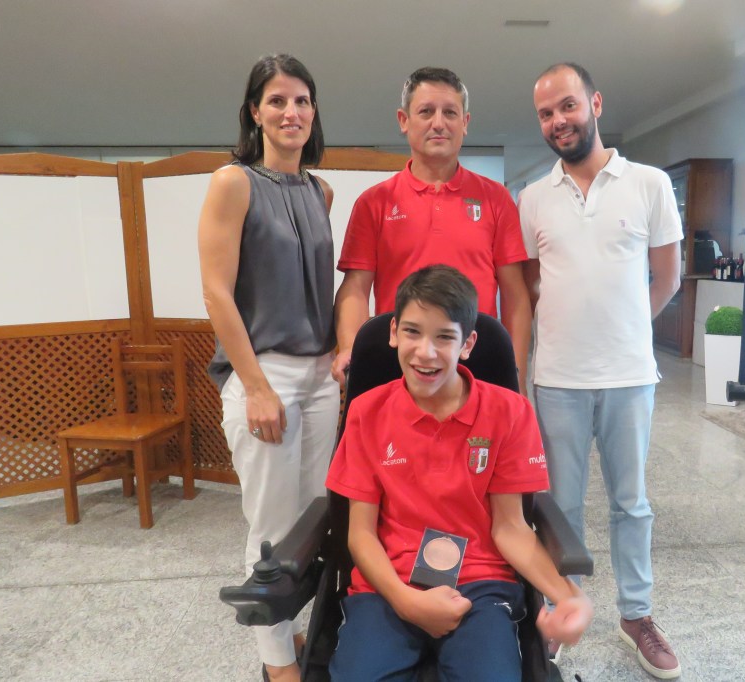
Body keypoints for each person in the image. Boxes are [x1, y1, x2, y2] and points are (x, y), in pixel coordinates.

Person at [325, 265, 593, 681]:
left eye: (444, 337)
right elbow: (360, 534)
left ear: (467, 344)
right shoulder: (367, 412)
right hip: (387, 586)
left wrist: (567, 595)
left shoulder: (509, 413)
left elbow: (511, 528)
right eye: (412, 332)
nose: (425, 352)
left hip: (480, 585)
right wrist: (406, 602)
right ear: (393, 332)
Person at [518, 63, 684, 679]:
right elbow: (532, 286)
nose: (558, 121)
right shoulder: (533, 197)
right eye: (545, 113)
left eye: (567, 105)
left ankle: (636, 616)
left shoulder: (649, 184)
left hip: (629, 377)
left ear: (595, 103)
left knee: (631, 504)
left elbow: (667, 277)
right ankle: (562, 609)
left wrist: (626, 328)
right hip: (558, 378)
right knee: (559, 507)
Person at [197, 54, 338, 682]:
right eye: (277, 100)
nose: (291, 112)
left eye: (302, 100)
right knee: (271, 527)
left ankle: (295, 631)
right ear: (254, 111)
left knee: (312, 517)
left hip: (320, 375)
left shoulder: (320, 191)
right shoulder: (233, 183)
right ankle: (278, 665)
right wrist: (254, 386)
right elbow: (216, 292)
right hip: (266, 374)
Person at [331, 67, 532, 392]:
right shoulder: (374, 203)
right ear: (404, 120)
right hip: (400, 363)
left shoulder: (496, 199)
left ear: (465, 123)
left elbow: (515, 296)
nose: (439, 123)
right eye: (426, 111)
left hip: (476, 361)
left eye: (450, 112)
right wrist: (350, 348)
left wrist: (515, 372)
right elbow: (355, 289)